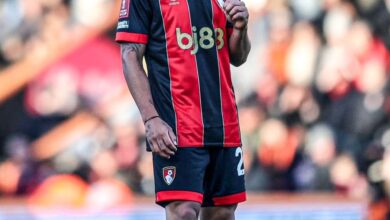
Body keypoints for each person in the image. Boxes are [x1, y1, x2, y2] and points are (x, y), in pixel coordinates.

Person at [116, 0, 250, 219]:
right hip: (176, 126)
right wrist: (151, 118)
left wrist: (240, 28)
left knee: (222, 213)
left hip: (224, 124)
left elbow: (238, 57)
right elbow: (129, 54)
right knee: (183, 211)